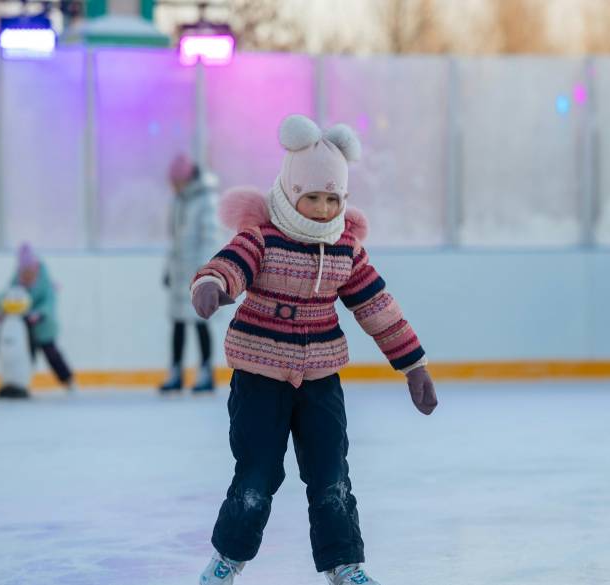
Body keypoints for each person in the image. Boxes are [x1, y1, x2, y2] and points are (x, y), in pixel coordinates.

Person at [190, 115, 438, 585]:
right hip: (260, 377)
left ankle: (344, 564)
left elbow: (378, 307)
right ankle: (227, 560)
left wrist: (413, 364)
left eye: (332, 198)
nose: (323, 208)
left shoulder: (345, 248)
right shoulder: (263, 237)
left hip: (321, 381)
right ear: (290, 192)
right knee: (256, 477)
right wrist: (210, 285)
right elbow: (230, 265)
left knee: (331, 475)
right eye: (313, 197)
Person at [159, 153, 222, 393]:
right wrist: (168, 269)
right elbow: (174, 239)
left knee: (199, 321)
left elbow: (210, 238)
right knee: (177, 322)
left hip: (196, 271)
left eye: (175, 182)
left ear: (184, 179)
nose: (172, 187)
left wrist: (206, 272)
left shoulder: (205, 201)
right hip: (179, 271)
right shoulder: (179, 201)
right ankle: (175, 371)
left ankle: (206, 372)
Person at [0, 243, 76, 392]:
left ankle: (68, 380)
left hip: (44, 327)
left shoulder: (45, 282)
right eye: (24, 271)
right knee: (23, 355)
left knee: (52, 354)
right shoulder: (17, 279)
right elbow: (6, 296)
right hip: (24, 327)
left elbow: (49, 303)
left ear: (35, 267)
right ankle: (20, 383)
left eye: (29, 271)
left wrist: (40, 313)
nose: (26, 274)